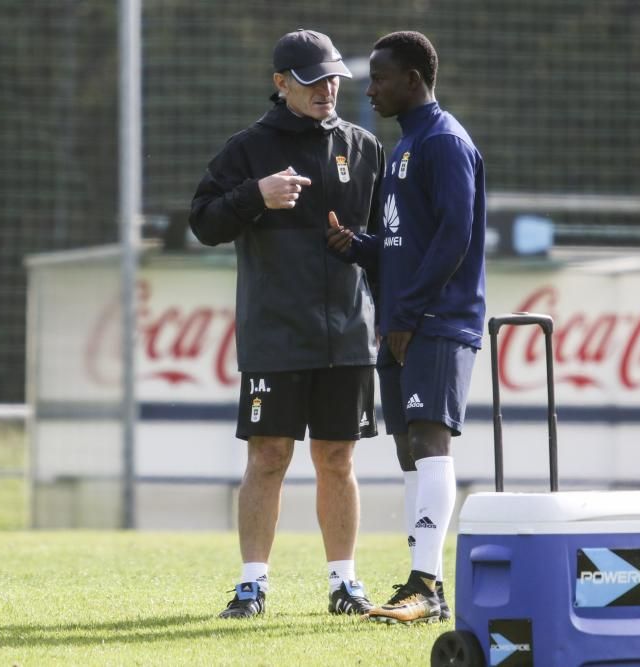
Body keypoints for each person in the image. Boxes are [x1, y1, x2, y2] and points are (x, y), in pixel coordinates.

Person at [189, 28, 384, 619]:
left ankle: (344, 585)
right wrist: (256, 195)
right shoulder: (245, 149)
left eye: (331, 79)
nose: (326, 89)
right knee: (268, 455)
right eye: (311, 81)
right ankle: (252, 586)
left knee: (338, 458)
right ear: (280, 84)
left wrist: (386, 313)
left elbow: (382, 244)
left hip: (347, 336)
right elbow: (203, 223)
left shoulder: (364, 147)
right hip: (274, 334)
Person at [327, 30, 486, 624]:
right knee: (406, 452)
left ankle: (428, 586)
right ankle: (421, 585)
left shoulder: (445, 142)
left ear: (414, 80)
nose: (371, 90)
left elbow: (454, 237)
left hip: (435, 322)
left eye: (382, 77)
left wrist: (410, 311)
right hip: (402, 320)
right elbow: (403, 244)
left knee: (428, 440)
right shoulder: (406, 148)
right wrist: (357, 246)